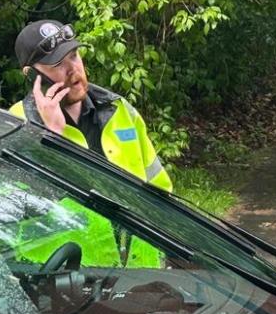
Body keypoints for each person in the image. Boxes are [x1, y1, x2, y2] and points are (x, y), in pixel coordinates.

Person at [9, 20, 172, 191]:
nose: (73, 69)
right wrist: (53, 136)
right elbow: (21, 203)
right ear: (32, 75)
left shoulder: (118, 108)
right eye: (58, 64)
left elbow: (158, 185)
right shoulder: (18, 123)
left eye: (73, 56)